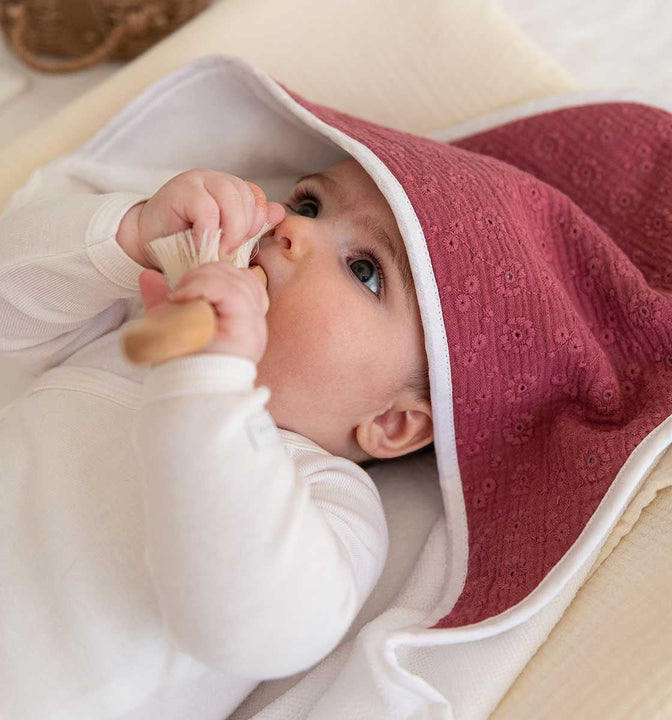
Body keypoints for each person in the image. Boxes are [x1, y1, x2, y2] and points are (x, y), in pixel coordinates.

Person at [0, 157, 433, 719]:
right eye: (308, 205)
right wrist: (129, 237)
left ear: (391, 423)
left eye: (364, 270)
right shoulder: (134, 327)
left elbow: (252, 625)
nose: (292, 230)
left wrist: (210, 382)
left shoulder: (328, 499)